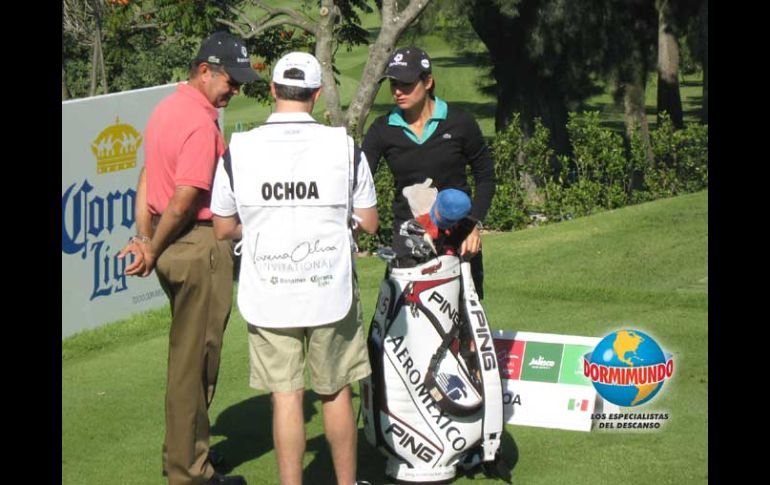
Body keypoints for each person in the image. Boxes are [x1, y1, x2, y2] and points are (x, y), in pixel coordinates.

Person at [209, 52, 378, 485]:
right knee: (336, 390)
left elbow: (224, 228)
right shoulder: (344, 146)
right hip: (329, 287)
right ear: (318, 94)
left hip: (269, 289)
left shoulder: (239, 150)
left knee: (286, 396)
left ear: (272, 90)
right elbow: (370, 221)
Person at [118, 31, 259, 485]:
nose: (234, 90)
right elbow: (184, 198)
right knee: (195, 365)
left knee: (186, 360)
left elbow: (145, 178)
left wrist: (145, 239)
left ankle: (184, 459)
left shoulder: (166, 109)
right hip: (196, 243)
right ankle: (191, 473)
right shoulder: (200, 122)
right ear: (204, 71)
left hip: (171, 243)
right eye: (230, 81)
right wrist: (152, 245)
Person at [362, 47, 495, 296]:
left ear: (428, 81)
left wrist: (473, 225)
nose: (398, 91)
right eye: (393, 84)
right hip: (407, 242)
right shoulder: (382, 130)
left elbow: (486, 176)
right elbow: (359, 180)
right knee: (403, 325)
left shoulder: (460, 122)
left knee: (463, 328)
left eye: (406, 84)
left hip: (460, 239)